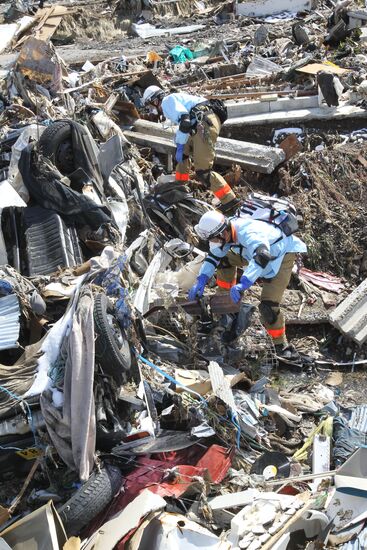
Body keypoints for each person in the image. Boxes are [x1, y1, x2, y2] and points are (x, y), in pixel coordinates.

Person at [188, 211, 307, 358]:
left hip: (279, 255)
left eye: (214, 239)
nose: (214, 242)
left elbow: (263, 257)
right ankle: (227, 306)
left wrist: (243, 283)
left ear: (223, 233)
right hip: (250, 252)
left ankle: (280, 345)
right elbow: (214, 256)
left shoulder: (249, 233)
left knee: (268, 307)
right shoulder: (225, 232)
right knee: (224, 260)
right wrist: (202, 279)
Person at [142, 86, 239, 214]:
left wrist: (181, 143)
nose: (152, 110)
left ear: (155, 101)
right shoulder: (173, 99)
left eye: (151, 106)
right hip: (202, 122)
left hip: (203, 125)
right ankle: (180, 183)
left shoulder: (166, 102)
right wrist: (181, 146)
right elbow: (186, 122)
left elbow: (185, 121)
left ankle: (230, 200)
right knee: (183, 154)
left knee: (203, 171)